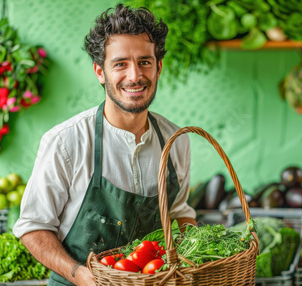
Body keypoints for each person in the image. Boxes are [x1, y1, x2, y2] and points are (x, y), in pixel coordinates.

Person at [13, 4, 197, 286]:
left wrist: (194, 256)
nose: (135, 76)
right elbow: (33, 228)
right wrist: (79, 274)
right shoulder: (66, 142)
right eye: (120, 63)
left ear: (158, 67)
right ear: (100, 71)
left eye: (145, 62)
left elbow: (179, 213)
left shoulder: (176, 141)